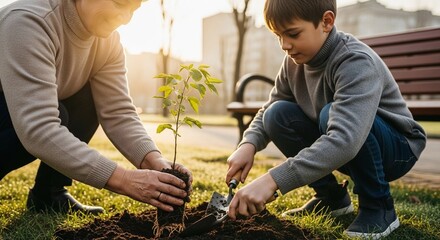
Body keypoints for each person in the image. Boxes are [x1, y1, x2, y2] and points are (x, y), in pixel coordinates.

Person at [225, 0, 426, 238]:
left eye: (292, 34)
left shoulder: (354, 61)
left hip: (396, 150)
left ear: (327, 22)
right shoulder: (293, 62)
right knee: (276, 114)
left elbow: (345, 139)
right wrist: (248, 144)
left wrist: (272, 181)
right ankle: (331, 198)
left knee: (330, 113)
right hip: (347, 140)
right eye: (278, 36)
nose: (285, 45)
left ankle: (379, 206)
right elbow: (270, 105)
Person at [0, 0, 191, 215]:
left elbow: (118, 111)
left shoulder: (108, 41)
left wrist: (154, 161)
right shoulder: (28, 22)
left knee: (92, 95)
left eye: (134, 9)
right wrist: (124, 180)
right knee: (56, 114)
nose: (126, 18)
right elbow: (38, 128)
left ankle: (49, 194)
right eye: (119, 4)